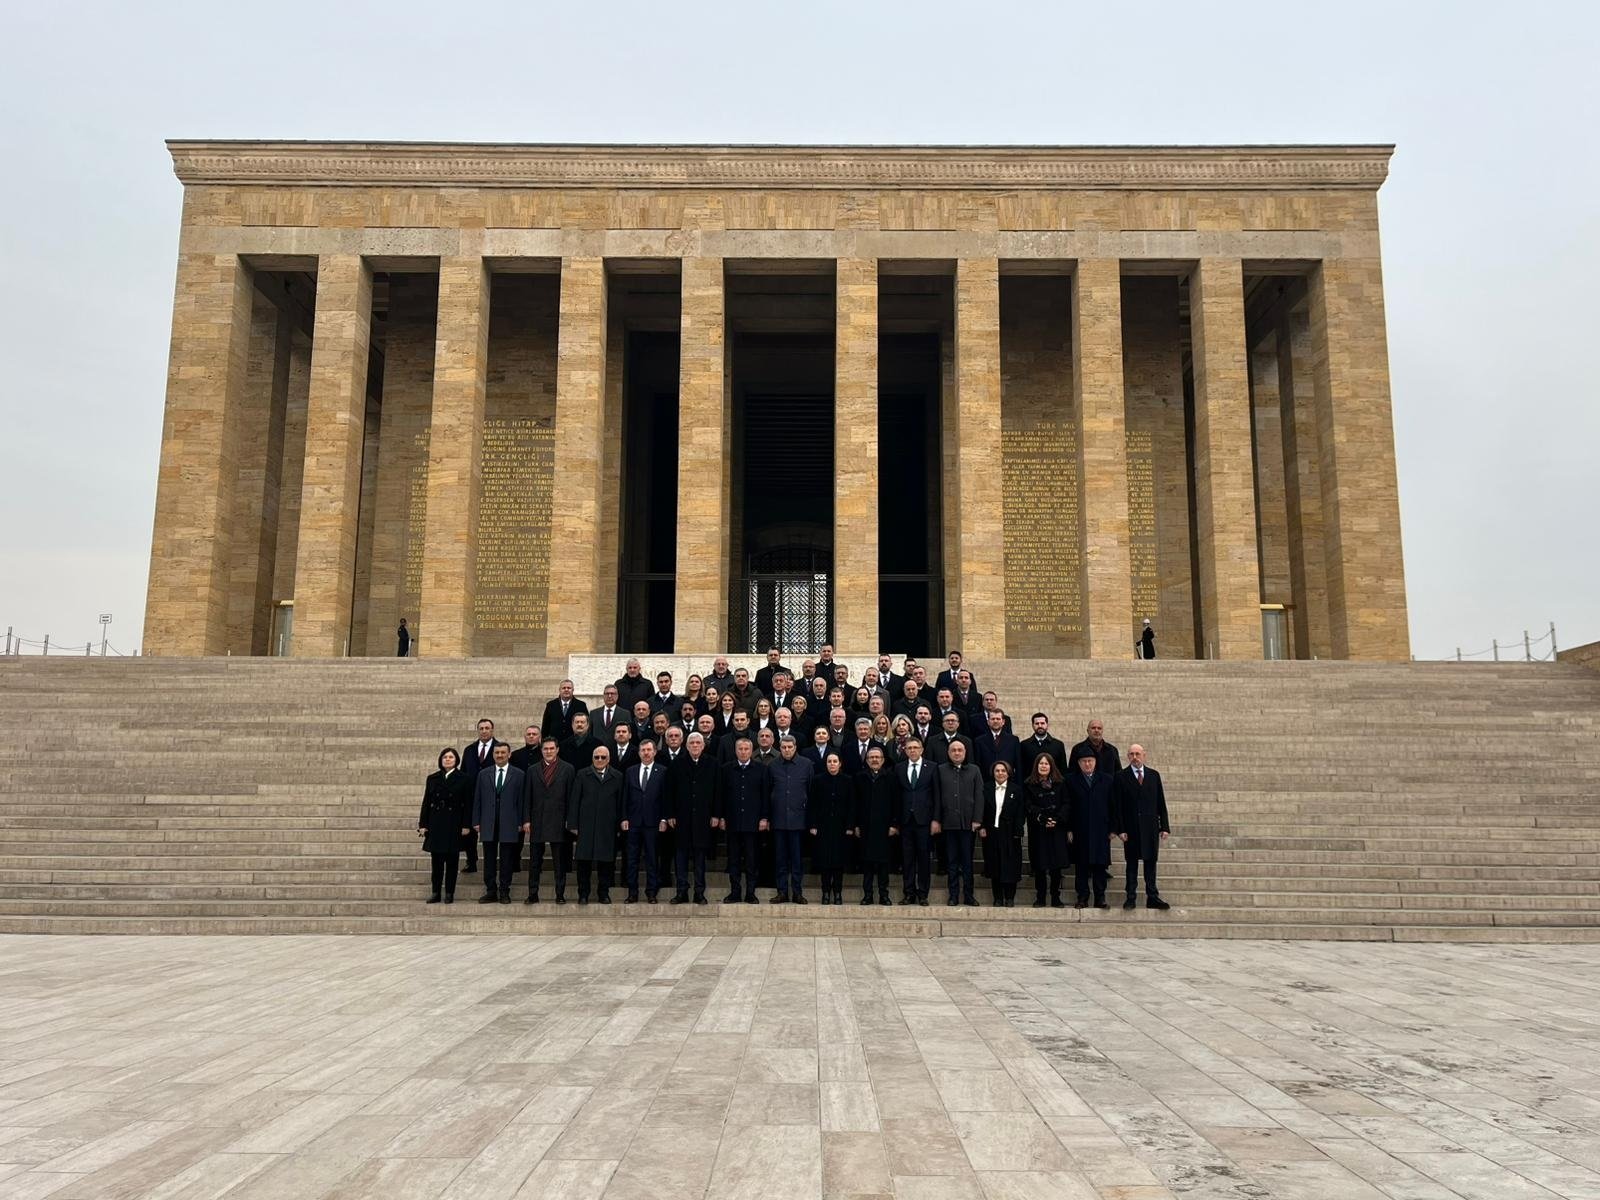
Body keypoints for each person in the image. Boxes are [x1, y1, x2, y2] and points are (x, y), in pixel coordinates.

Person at [1113, 744, 1171, 910]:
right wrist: (1120, 829)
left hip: (1150, 827)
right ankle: (1130, 897)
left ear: (1144, 755)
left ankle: (1152, 896)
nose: (1135, 757)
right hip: (1130, 829)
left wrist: (1164, 826)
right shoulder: (1121, 776)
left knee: (1150, 863)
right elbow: (1118, 806)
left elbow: (1161, 802)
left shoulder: (1153, 775)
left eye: (1138, 754)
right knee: (1131, 864)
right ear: (1127, 756)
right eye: (1131, 754)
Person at [569, 745, 623, 904]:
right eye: (596, 757)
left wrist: (619, 824)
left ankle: (603, 893)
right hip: (586, 825)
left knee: (606, 862)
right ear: (592, 758)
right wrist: (573, 823)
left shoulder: (617, 776)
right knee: (583, 862)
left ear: (609, 759)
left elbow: (620, 802)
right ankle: (583, 894)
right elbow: (575, 800)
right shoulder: (582, 774)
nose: (599, 760)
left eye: (603, 757)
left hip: (607, 826)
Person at [472, 743, 526, 904]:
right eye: (497, 752)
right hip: (488, 822)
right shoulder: (483, 774)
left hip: (509, 822)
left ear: (509, 754)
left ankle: (504, 891)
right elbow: (478, 799)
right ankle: (491, 890)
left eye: (503, 752)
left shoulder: (519, 774)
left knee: (507, 859)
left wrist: (521, 821)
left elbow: (522, 801)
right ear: (493, 755)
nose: (500, 755)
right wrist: (476, 820)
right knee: (489, 859)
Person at [719, 737, 769, 903]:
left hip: (752, 822)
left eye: (746, 749)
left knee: (751, 859)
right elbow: (721, 796)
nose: (743, 752)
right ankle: (735, 891)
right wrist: (722, 817)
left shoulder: (761, 769)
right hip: (732, 821)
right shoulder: (726, 769)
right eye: (740, 749)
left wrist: (764, 817)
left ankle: (750, 892)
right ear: (735, 750)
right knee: (733, 859)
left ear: (751, 750)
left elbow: (765, 796)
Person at [670, 731, 717, 904]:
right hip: (681, 818)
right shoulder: (677, 764)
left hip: (703, 818)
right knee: (680, 856)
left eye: (698, 743)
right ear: (686, 746)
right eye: (692, 743)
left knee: (699, 858)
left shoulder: (713, 764)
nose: (695, 746)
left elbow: (717, 791)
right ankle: (681, 891)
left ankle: (699, 892)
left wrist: (716, 815)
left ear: (703, 746)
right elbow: (670, 791)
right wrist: (670, 815)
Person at [935, 737, 983, 906]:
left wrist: (977, 819)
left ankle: (969, 895)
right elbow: (937, 796)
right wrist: (937, 820)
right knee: (952, 861)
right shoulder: (940, 770)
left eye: (960, 750)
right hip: (948, 824)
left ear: (965, 752)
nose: (957, 753)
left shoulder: (974, 770)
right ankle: (953, 895)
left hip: (968, 824)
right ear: (948, 753)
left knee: (967, 862)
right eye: (953, 750)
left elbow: (979, 796)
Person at [525, 737, 574, 904]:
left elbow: (571, 798)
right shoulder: (532, 770)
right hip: (537, 820)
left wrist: (570, 820)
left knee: (559, 862)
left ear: (557, 749)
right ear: (541, 750)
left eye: (552, 748)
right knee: (534, 862)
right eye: (545, 749)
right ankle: (533, 894)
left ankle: (560, 894)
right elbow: (527, 797)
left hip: (558, 820)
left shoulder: (568, 769)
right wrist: (526, 820)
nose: (548, 751)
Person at [418, 747, 470, 903]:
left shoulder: (464, 778)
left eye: (451, 757)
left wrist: (466, 825)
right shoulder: (432, 778)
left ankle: (449, 893)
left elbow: (467, 804)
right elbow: (426, 802)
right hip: (436, 824)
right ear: (441, 760)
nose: (448, 759)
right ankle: (435, 892)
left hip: (454, 823)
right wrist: (423, 824)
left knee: (452, 862)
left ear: (456, 761)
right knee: (437, 862)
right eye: (445, 757)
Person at [767, 735, 814, 903]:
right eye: (784, 747)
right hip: (778, 820)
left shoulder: (806, 765)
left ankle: (797, 892)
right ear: (780, 748)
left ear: (795, 747)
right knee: (780, 858)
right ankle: (782, 892)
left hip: (798, 820)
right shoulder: (772, 766)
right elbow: (768, 791)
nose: (787, 750)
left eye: (790, 747)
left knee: (796, 859)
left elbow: (810, 791)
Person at [1066, 749, 1115, 910]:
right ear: (1079, 763)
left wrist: (1113, 828)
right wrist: (1069, 829)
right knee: (1081, 866)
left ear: (1095, 762)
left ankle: (1100, 898)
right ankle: (1082, 897)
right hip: (1080, 829)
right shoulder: (1071, 780)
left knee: (1100, 866)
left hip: (1101, 830)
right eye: (1084, 761)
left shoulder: (1107, 780)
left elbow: (1113, 805)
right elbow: (1068, 806)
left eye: (1090, 761)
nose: (1087, 764)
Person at [623, 739, 667, 903]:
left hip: (653, 822)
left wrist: (664, 818)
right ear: (639, 752)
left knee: (652, 859)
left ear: (655, 752)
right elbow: (625, 797)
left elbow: (665, 798)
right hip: (633, 822)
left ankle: (651, 892)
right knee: (632, 859)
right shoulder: (631, 771)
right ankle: (632, 893)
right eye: (643, 750)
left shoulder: (662, 771)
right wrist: (624, 817)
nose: (646, 753)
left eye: (649, 750)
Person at [854, 746, 899, 905]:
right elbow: (855, 803)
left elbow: (896, 803)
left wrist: (894, 824)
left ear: (882, 760)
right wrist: (856, 825)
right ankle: (867, 895)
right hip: (865, 827)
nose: (874, 760)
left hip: (884, 828)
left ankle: (884, 895)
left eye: (877, 757)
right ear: (866, 760)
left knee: (883, 864)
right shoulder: (860, 778)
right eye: (871, 757)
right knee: (867, 864)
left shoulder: (891, 777)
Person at [460, 718, 505, 875]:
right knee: (470, 831)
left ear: (492, 730)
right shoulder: (469, 750)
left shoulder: (499, 749)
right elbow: (463, 772)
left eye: (487, 728)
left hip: (492, 797)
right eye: (481, 728)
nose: (484, 731)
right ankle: (471, 861)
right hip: (472, 796)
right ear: (478, 730)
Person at [808, 750, 853, 905]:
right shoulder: (818, 780)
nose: (832, 764)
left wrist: (849, 826)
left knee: (838, 862)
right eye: (829, 761)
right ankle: (825, 892)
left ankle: (838, 893)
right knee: (825, 862)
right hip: (823, 826)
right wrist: (813, 825)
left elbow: (851, 806)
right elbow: (812, 804)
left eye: (835, 761)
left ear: (840, 764)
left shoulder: (848, 780)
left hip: (841, 827)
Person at [1024, 753, 1069, 908]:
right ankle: (1041, 897)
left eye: (1046, 764)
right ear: (1036, 766)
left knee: (1056, 867)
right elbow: (1028, 805)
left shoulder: (1061, 783)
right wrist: (1042, 818)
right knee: (1040, 865)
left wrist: (1057, 819)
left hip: (1057, 829)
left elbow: (1066, 803)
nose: (1043, 766)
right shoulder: (1029, 784)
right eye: (1041, 764)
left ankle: (1056, 897)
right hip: (1038, 830)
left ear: (1051, 766)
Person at [896, 737, 935, 906]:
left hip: (924, 821)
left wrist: (936, 819)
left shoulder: (932, 767)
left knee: (924, 858)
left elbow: (937, 795)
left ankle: (923, 893)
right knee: (907, 859)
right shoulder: (899, 768)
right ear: (905, 750)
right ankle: (909, 893)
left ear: (921, 749)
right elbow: (895, 796)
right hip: (905, 821)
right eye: (909, 748)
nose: (912, 750)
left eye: (915, 747)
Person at [981, 760, 1025, 907]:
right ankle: (998, 897)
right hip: (992, 832)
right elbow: (981, 809)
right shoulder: (986, 788)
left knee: (1010, 866)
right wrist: (981, 826)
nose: (1000, 773)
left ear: (1008, 773)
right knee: (995, 865)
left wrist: (1018, 831)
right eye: (997, 771)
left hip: (1010, 833)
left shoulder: (1016, 789)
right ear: (993, 773)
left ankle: (1010, 897)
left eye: (1003, 771)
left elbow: (1020, 812)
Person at [973, 709, 1020, 783]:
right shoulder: (979, 741)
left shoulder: (1013, 740)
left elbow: (1018, 765)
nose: (995, 721)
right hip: (987, 783)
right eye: (993, 719)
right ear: (988, 722)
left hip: (1009, 782)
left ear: (1003, 722)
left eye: (998, 719)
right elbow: (977, 765)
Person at [1020, 713, 1068, 781]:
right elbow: (1021, 769)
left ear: (1047, 725)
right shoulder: (1024, 745)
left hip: (1054, 786)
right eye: (1037, 723)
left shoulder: (1058, 745)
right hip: (1030, 787)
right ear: (1032, 725)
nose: (1040, 726)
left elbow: (1063, 769)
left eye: (1042, 723)